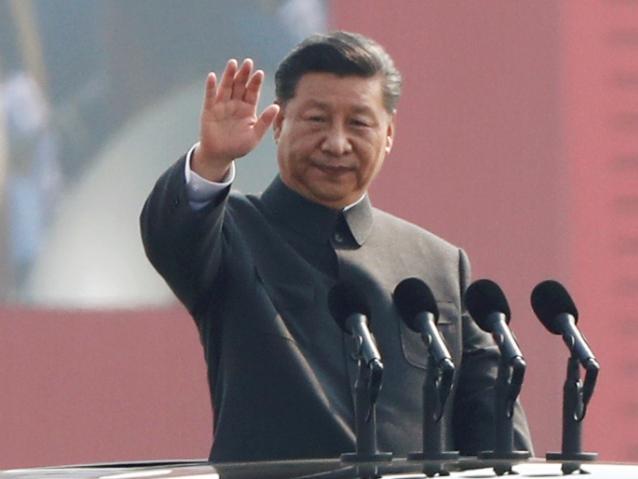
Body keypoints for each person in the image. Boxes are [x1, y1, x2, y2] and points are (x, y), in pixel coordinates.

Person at [141, 31, 533, 462]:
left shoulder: (438, 264)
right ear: (279, 125)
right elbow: (171, 238)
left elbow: (493, 429)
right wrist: (211, 162)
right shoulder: (232, 233)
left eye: (359, 123)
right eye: (316, 120)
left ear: (388, 134)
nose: (337, 143)